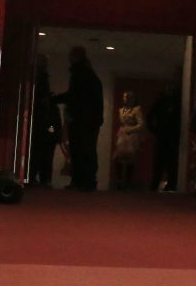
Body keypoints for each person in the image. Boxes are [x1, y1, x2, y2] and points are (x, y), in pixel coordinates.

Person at [52, 46, 103, 192]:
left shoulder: (79, 75)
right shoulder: (90, 76)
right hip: (90, 120)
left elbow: (74, 96)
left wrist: (53, 100)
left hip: (81, 120)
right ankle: (87, 180)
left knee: (80, 150)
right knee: (88, 149)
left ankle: (81, 180)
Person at [29, 54, 61, 187]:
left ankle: (34, 177)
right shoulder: (41, 79)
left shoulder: (37, 78)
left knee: (38, 152)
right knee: (44, 154)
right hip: (45, 125)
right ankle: (43, 179)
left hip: (42, 125)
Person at [147, 85, 180, 192]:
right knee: (166, 161)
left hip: (166, 135)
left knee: (164, 161)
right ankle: (167, 184)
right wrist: (154, 130)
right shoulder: (174, 102)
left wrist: (154, 130)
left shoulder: (169, 102)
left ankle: (159, 184)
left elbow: (149, 117)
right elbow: (149, 117)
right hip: (168, 135)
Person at [112, 90, 145, 190]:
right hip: (122, 135)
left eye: (125, 97)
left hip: (132, 136)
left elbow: (141, 124)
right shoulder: (121, 110)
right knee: (119, 157)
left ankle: (128, 182)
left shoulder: (136, 110)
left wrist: (131, 129)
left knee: (130, 159)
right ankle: (119, 181)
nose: (124, 99)